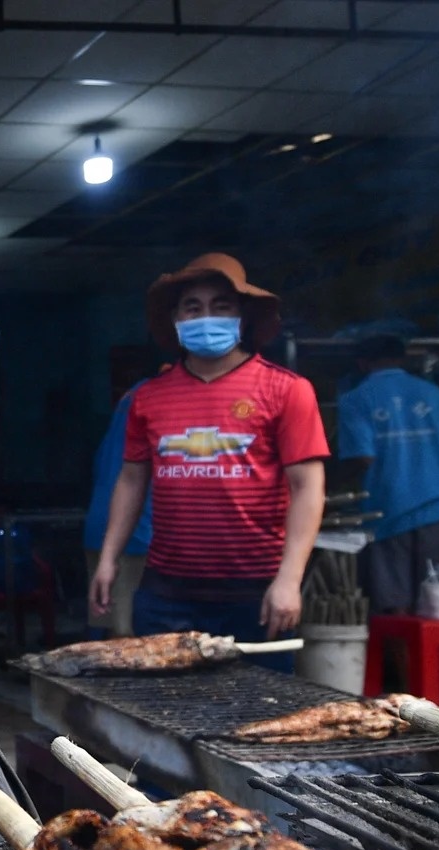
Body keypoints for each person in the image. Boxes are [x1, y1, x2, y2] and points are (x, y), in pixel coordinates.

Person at [90, 253, 328, 672]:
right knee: (165, 716)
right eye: (193, 307)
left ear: (243, 316)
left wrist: (289, 580)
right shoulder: (148, 397)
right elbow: (130, 480)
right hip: (167, 591)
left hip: (256, 592)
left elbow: (308, 487)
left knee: (258, 715)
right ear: (176, 319)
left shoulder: (287, 390)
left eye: (222, 306)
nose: (207, 316)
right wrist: (109, 558)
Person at [336, 334, 439, 615]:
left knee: (394, 605)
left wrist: (326, 483)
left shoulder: (354, 399)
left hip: (387, 511)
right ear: (402, 359)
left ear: (362, 363)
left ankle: (406, 662)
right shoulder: (433, 393)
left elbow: (362, 458)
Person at [82, 380, 152, 637]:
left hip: (103, 527)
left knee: (113, 632)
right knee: (131, 639)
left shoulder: (132, 395)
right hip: (135, 533)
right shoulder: (158, 397)